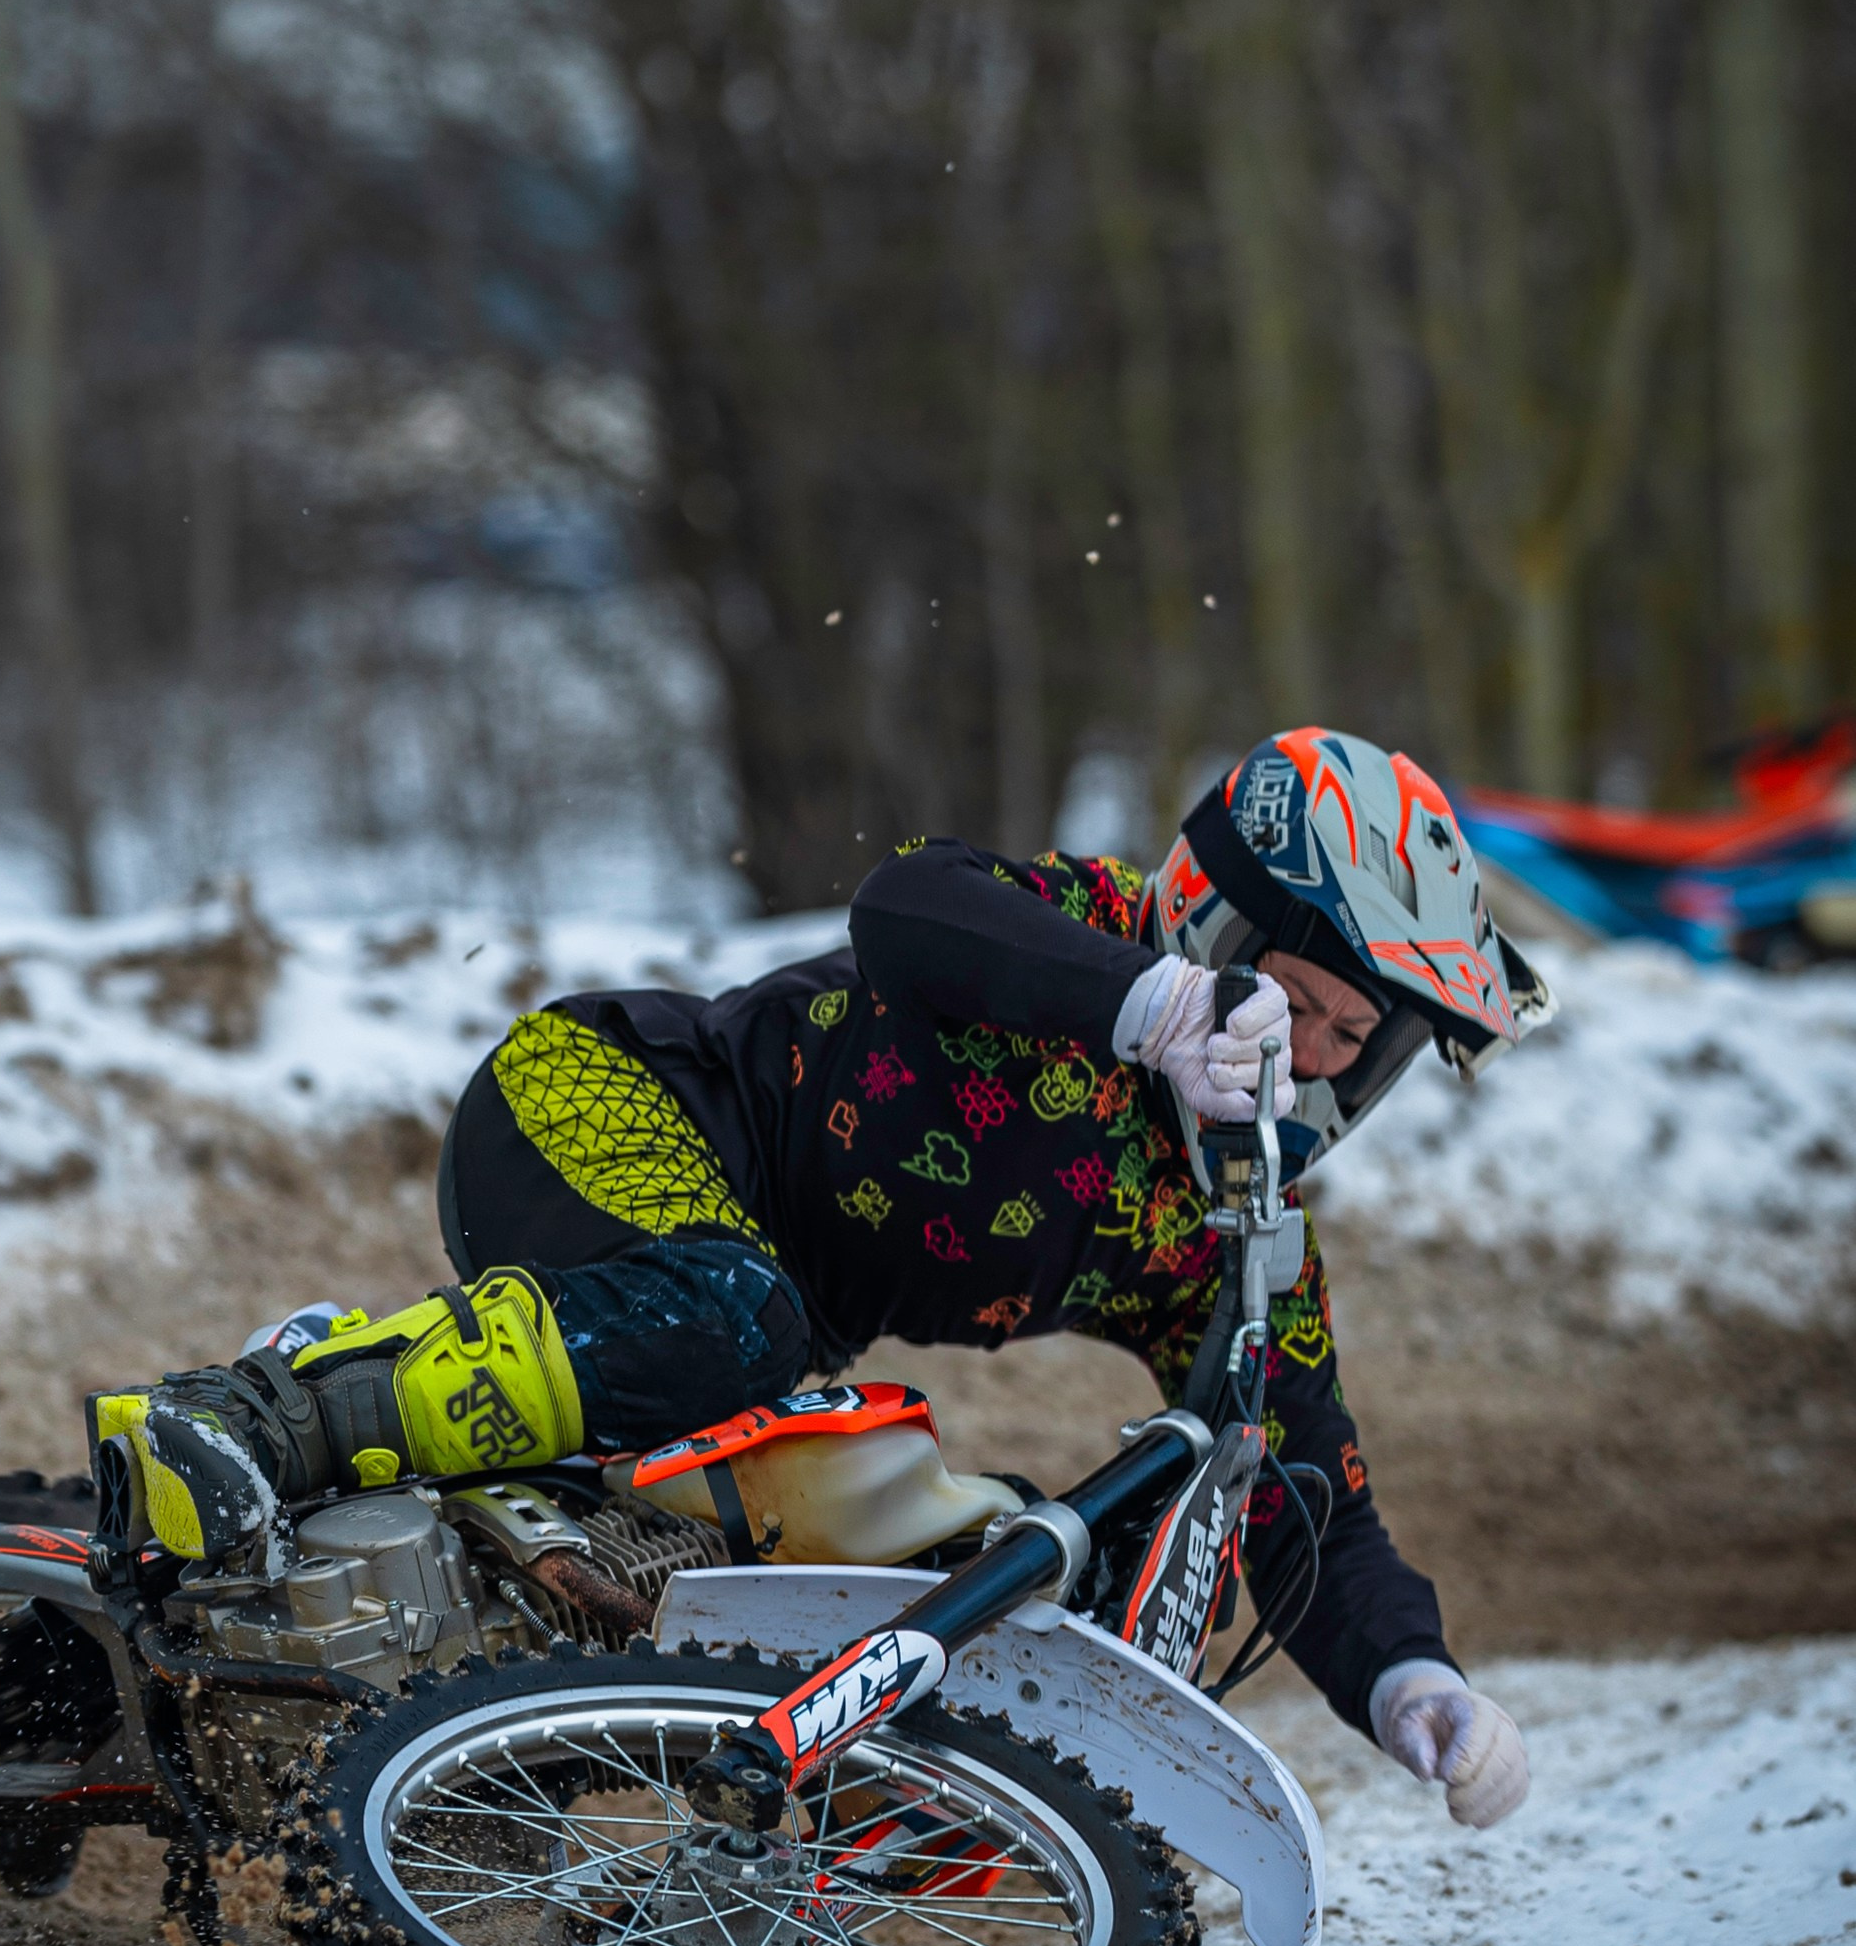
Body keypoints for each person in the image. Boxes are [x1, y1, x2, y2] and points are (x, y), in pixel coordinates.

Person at [109, 727, 1548, 1823]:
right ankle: (256, 1409)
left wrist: (1406, 1679)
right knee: (743, 1316)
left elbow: (1290, 1470)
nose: (1308, 1058)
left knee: (721, 1539)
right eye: (1292, 1003)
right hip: (601, 1101)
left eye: (1355, 1040)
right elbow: (905, 904)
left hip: (735, 1324)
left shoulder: (1223, 1218)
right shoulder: (1090, 937)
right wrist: (1142, 1006)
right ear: (1209, 929)